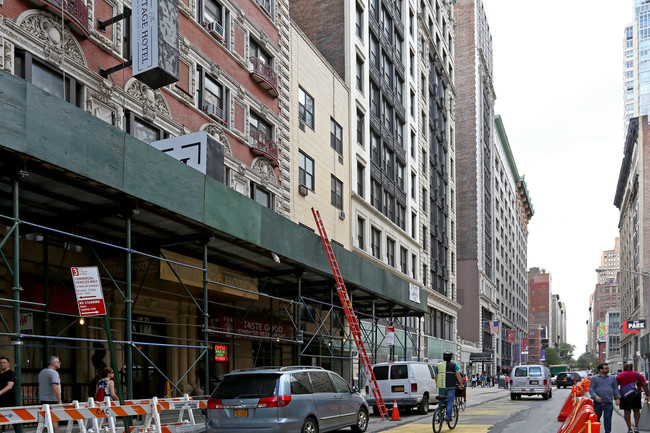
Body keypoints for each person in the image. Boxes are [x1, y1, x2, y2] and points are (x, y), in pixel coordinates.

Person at [616, 360, 650, 433]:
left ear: (624, 368)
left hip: (625, 396)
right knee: (637, 411)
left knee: (627, 412)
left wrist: (616, 397)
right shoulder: (638, 375)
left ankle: (629, 429)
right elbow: (645, 385)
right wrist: (647, 395)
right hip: (636, 395)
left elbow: (615, 387)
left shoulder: (620, 375)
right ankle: (636, 427)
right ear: (632, 368)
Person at [588, 362, 620, 433]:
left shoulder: (612, 378)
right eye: (606, 368)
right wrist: (595, 396)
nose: (608, 369)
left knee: (608, 419)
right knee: (596, 419)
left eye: (608, 368)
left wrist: (617, 398)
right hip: (597, 403)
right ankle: (596, 431)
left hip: (608, 403)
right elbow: (591, 389)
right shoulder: (594, 378)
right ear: (600, 370)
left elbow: (615, 388)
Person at [434, 351, 464, 422]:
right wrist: (461, 384)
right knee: (450, 401)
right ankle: (448, 416)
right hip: (451, 387)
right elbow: (458, 375)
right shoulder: (454, 365)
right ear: (451, 357)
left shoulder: (438, 365)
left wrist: (437, 384)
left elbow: (436, 376)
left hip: (441, 386)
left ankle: (439, 416)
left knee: (441, 401)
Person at [39, 356, 62, 433]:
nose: (60, 363)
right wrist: (59, 400)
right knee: (54, 419)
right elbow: (55, 387)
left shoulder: (42, 372)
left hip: (43, 399)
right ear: (53, 363)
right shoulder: (54, 373)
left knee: (44, 420)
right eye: (58, 361)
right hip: (52, 399)